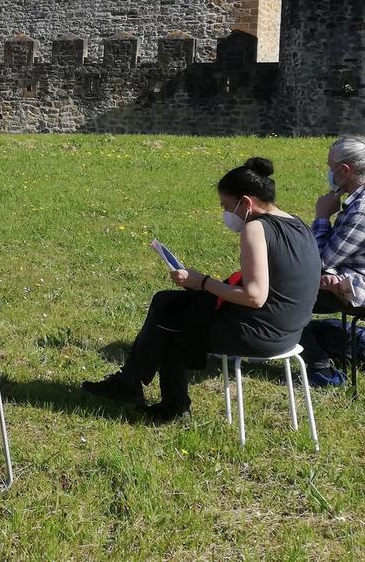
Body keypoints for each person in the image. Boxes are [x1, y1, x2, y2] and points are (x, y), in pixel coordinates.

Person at [83, 158, 321, 422]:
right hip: (291, 331)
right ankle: (135, 385)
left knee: (170, 325)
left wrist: (203, 282)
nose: (226, 214)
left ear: (246, 202)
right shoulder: (298, 223)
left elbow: (255, 296)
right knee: (168, 305)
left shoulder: (255, 228)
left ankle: (157, 398)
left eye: (226, 206)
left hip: (260, 333)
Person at [298, 136, 365, 385]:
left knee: (286, 292)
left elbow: (322, 260)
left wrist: (322, 217)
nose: (329, 173)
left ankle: (320, 371)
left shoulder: (360, 210)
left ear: (345, 170)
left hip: (357, 287)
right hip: (348, 277)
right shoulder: (356, 202)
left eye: (330, 167)